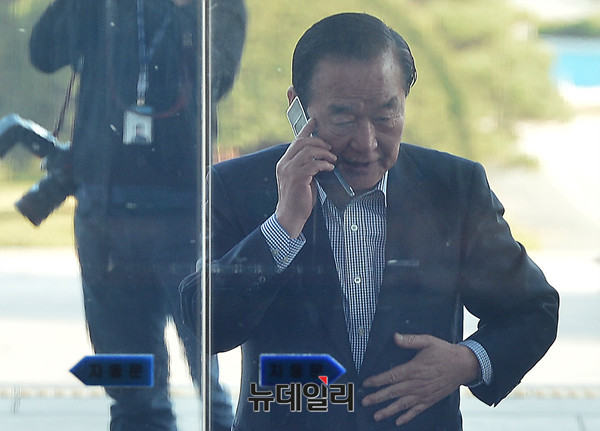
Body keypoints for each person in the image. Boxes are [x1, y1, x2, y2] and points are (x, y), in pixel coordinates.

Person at [181, 12, 559, 431]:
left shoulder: (454, 186)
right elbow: (205, 326)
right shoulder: (239, 186)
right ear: (297, 106)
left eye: (385, 115)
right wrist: (283, 226)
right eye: (343, 118)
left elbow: (533, 310)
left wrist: (467, 361)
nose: (366, 142)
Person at [29, 0, 246, 430]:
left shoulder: (215, 6)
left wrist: (187, 11)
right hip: (106, 213)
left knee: (209, 375)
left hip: (185, 213)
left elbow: (215, 77)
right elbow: (44, 52)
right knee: (131, 388)